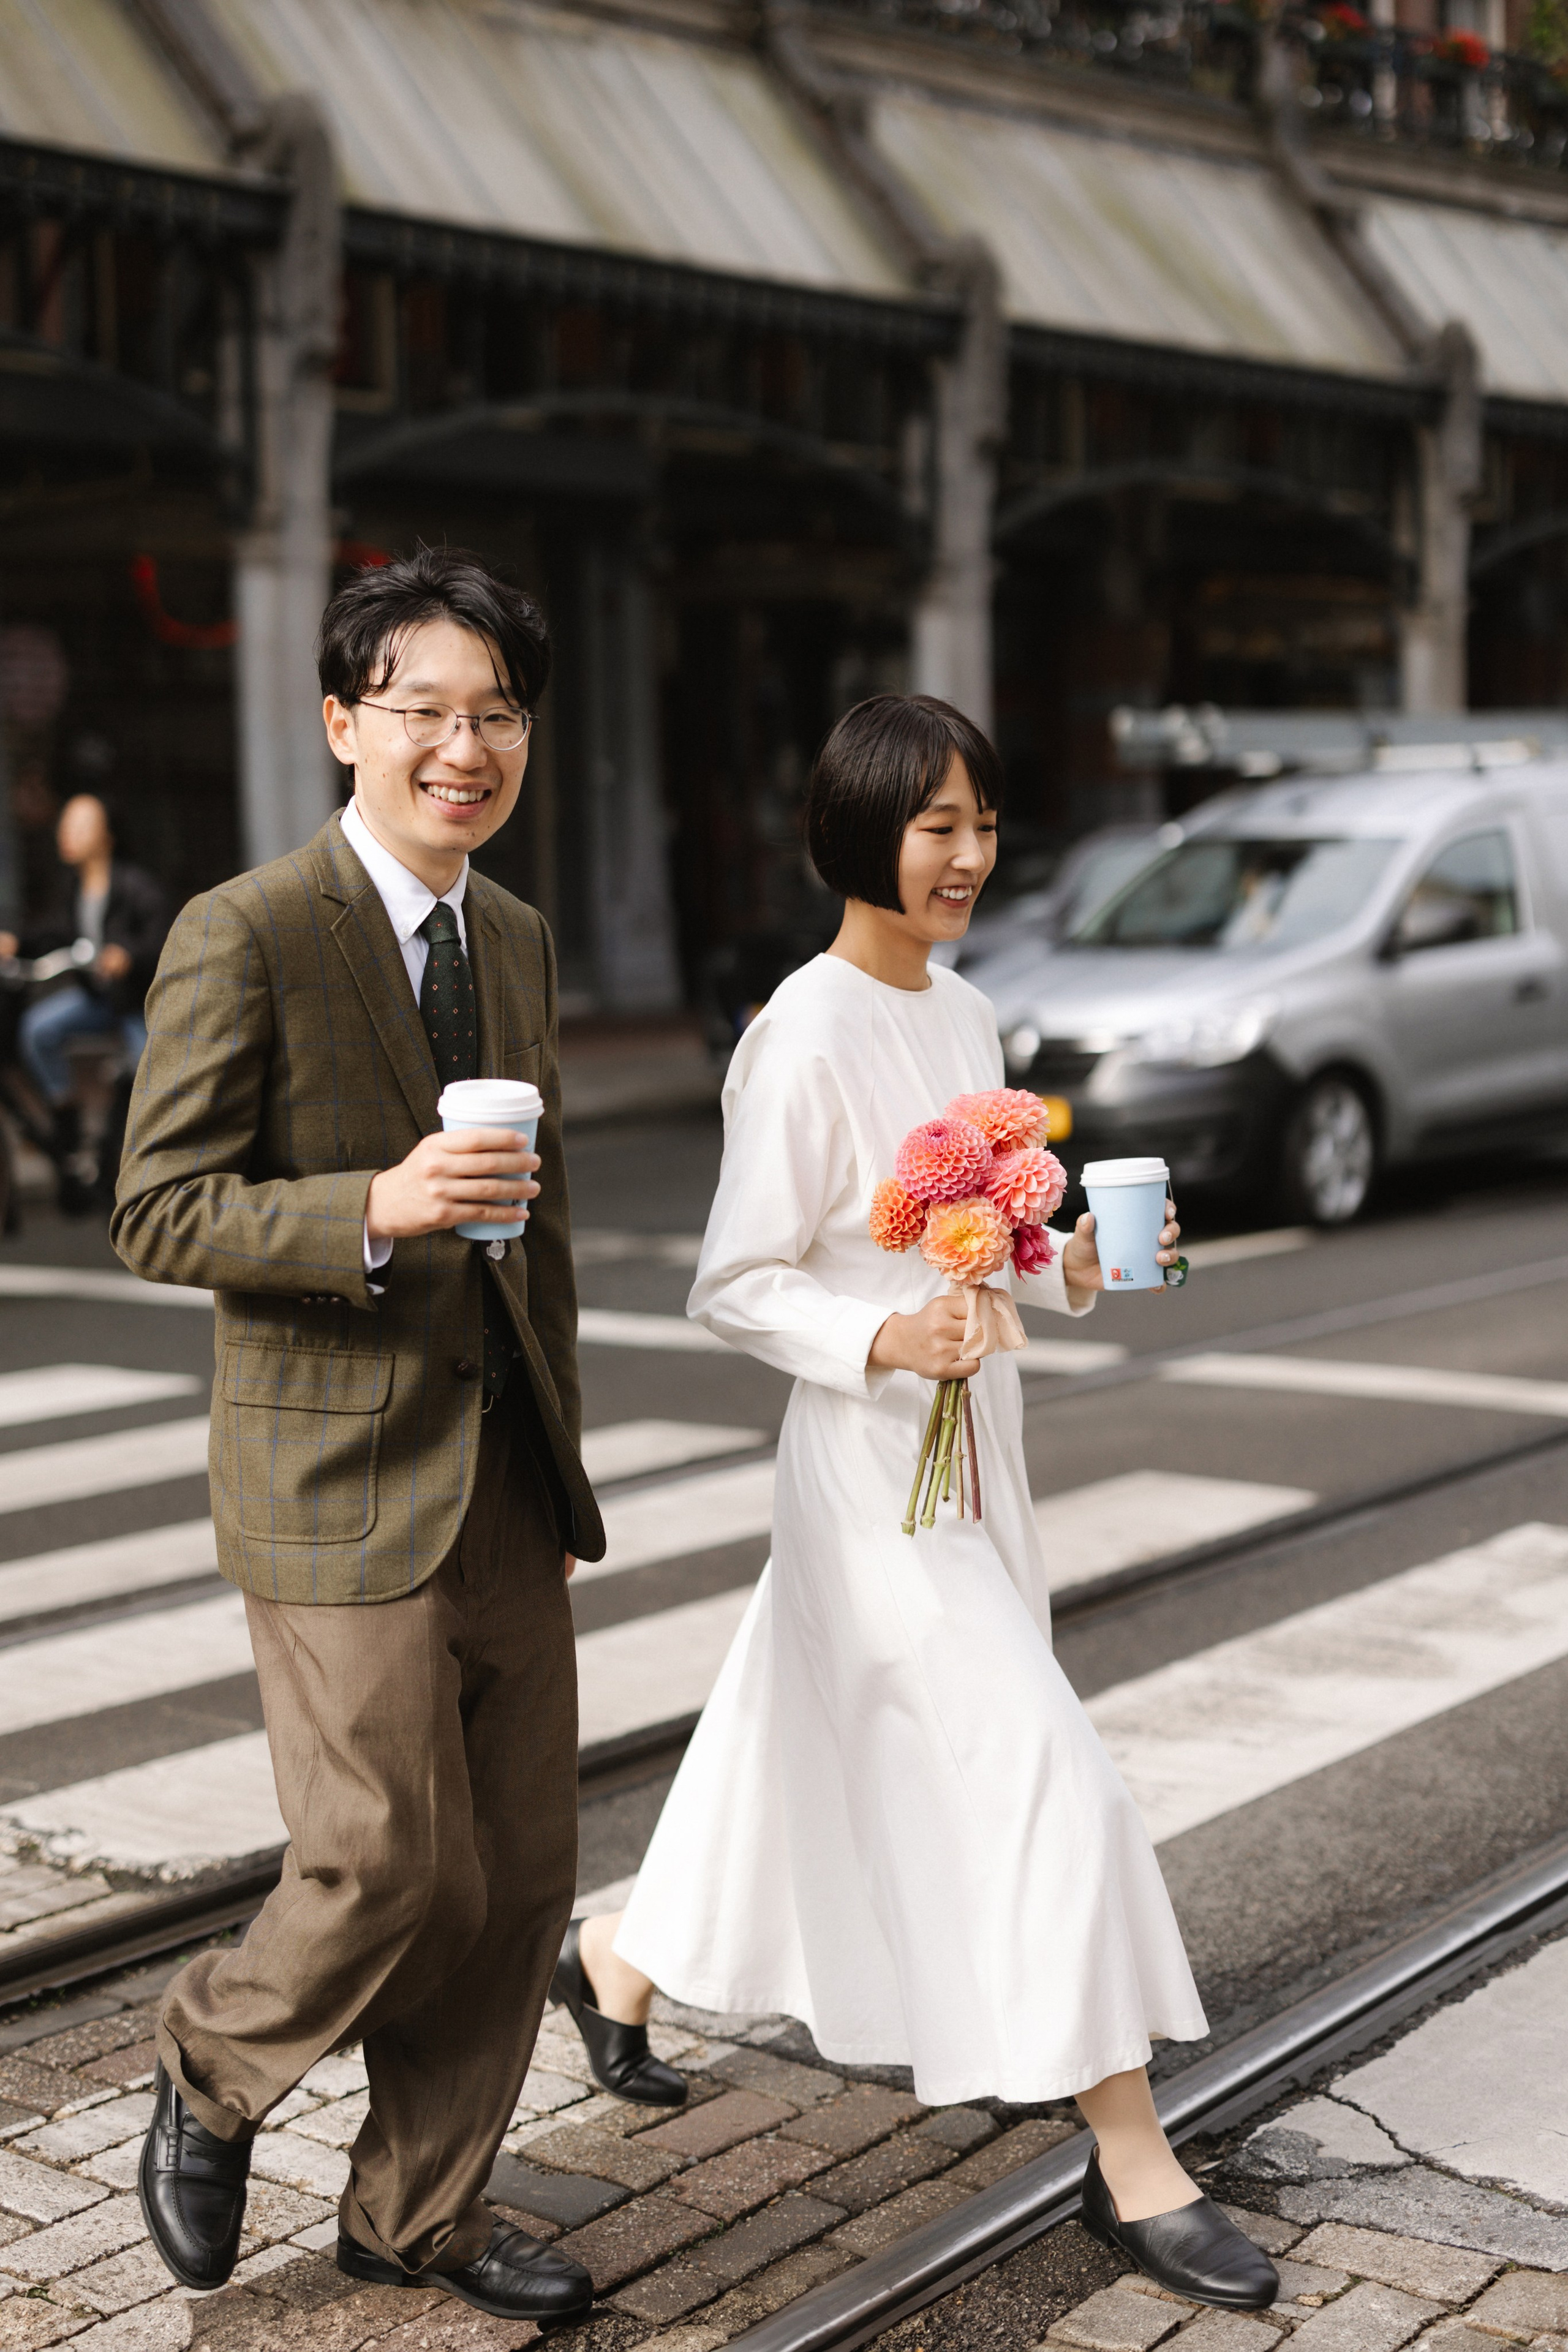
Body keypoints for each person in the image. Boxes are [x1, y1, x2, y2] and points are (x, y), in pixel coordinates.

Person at [550, 696, 1280, 2314]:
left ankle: (613, 1963)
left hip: (971, 1447)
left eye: (984, 824)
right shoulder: (800, 1033)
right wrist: (880, 1338)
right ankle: (1130, 2156)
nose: (967, 854)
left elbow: (985, 1253)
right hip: (868, 1471)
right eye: (936, 824)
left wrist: (1069, 1265)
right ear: (857, 833)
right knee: (1041, 1771)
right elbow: (734, 1280)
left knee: (777, 1731)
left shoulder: (966, 1014)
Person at [112, 548, 605, 2326]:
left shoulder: (516, 935)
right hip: (330, 1476)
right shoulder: (246, 930)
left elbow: (542, 1225)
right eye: (424, 711)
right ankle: (211, 2056)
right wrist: (373, 1207)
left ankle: (416, 2213)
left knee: (519, 1878)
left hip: (503, 1477)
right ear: (344, 722)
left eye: (498, 715)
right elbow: (157, 1207)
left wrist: (559, 1451)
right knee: (395, 1857)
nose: (464, 747)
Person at [0, 793, 167, 1210]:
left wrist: (127, 954)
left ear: (107, 835)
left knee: (147, 1064)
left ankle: (140, 1150)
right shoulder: (75, 887)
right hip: (97, 1001)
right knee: (39, 1030)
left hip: (135, 1003)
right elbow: (55, 931)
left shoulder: (134, 885)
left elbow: (161, 935)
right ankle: (67, 1118)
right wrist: (16, 942)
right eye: (66, 824)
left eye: (80, 825)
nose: (67, 833)